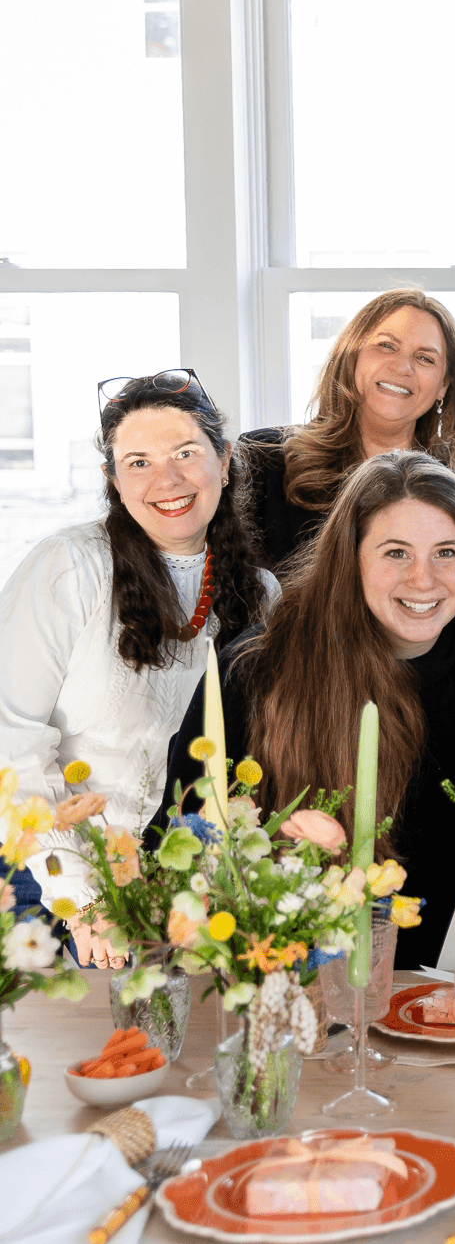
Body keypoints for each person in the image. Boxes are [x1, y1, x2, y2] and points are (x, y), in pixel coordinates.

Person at [165, 452, 455, 968]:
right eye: (395, 552)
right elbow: (180, 837)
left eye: (447, 552)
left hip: (448, 984)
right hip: (293, 969)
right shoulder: (257, 668)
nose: (423, 579)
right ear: (351, 557)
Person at [0, 370, 274, 967]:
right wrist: (86, 899)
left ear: (224, 462)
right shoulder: (68, 568)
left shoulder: (262, 595)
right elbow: (10, 744)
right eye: (139, 461)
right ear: (113, 480)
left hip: (195, 891)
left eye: (184, 453)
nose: (167, 480)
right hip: (54, 882)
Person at [236, 289, 455, 583]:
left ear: (444, 386)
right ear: (352, 356)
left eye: (425, 358)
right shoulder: (263, 460)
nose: (402, 367)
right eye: (386, 346)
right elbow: (235, 602)